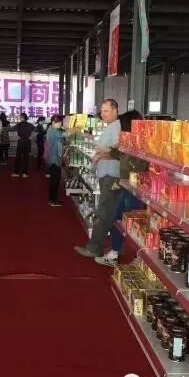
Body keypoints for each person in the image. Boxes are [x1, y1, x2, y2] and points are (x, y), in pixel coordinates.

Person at [95, 110, 147, 267]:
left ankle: (139, 259)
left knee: (135, 225)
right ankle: (115, 252)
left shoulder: (141, 144)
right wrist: (104, 153)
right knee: (119, 219)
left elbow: (137, 168)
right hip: (127, 187)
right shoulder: (130, 142)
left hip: (135, 191)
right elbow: (120, 154)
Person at [74, 99, 122, 259]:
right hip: (106, 174)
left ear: (115, 111)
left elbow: (117, 152)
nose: (103, 114)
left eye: (106, 111)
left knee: (104, 212)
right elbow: (103, 145)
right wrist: (86, 136)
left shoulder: (116, 128)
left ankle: (94, 248)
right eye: (102, 111)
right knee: (106, 211)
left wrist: (100, 156)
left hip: (110, 175)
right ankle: (109, 246)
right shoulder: (110, 127)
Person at [45, 114, 64, 206]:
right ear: (53, 122)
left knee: (55, 180)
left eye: (61, 123)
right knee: (55, 180)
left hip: (53, 158)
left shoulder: (52, 129)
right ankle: (52, 200)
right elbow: (64, 134)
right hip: (54, 159)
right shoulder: (53, 131)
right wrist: (75, 130)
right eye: (58, 123)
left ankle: (53, 199)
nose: (60, 124)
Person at [12, 113, 34, 178]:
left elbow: (11, 129)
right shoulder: (30, 125)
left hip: (21, 143)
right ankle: (25, 173)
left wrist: (16, 136)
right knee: (26, 158)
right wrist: (31, 136)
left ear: (22, 117)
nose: (20, 118)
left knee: (18, 158)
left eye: (20, 117)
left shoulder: (18, 125)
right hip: (27, 143)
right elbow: (37, 130)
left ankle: (16, 172)